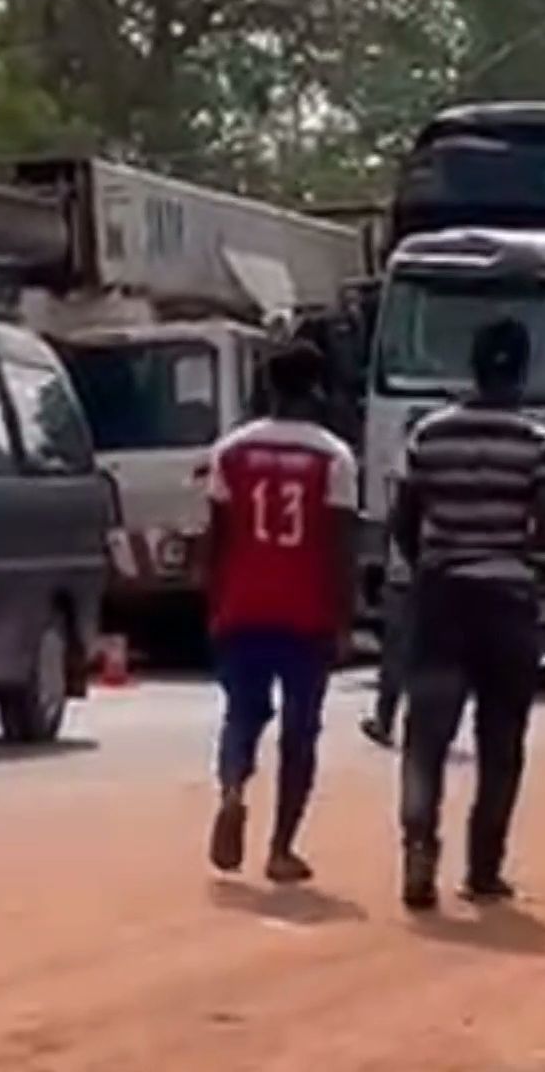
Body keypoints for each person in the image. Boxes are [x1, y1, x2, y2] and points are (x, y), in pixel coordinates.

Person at [391, 319, 545, 909]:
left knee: (427, 738)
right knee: (501, 742)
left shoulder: (429, 437)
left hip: (442, 599)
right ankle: (483, 868)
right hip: (507, 604)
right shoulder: (536, 443)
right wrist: (519, 550)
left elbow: (404, 517)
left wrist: (431, 565)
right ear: (521, 369)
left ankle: (418, 846)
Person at [203, 346, 358, 884]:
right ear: (315, 391)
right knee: (300, 732)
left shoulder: (231, 451)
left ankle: (232, 790)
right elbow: (341, 548)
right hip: (306, 613)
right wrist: (345, 620)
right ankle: (281, 848)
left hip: (242, 606)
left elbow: (216, 541)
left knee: (241, 714)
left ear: (267, 388)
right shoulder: (334, 458)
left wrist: (213, 605)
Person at [359, 535, 411, 749]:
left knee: (394, 659)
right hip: (423, 581)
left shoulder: (406, 506)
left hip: (403, 582)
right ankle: (420, 730)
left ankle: (384, 722)